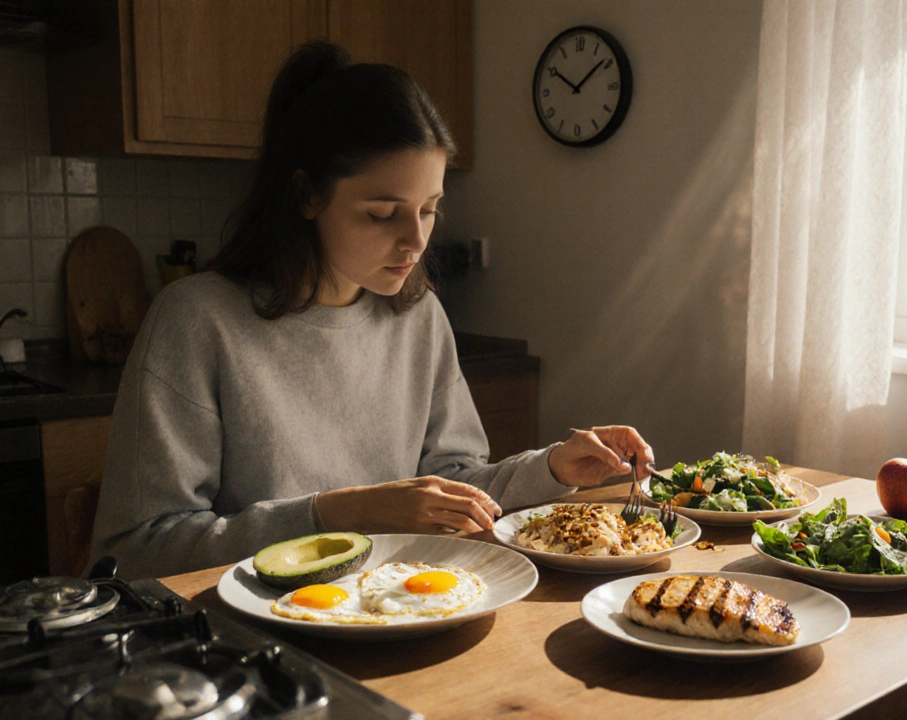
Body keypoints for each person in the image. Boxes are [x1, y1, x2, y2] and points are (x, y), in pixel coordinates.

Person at [90, 41, 654, 580]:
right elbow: (137, 552)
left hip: (395, 618)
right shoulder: (197, 320)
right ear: (307, 196)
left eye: (429, 210)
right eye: (384, 213)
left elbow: (452, 487)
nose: (416, 241)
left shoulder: (418, 317)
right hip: (251, 646)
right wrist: (337, 516)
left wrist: (552, 468)